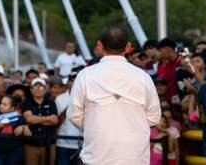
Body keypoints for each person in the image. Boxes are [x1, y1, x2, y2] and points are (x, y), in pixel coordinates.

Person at [70, 26, 161, 164]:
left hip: (96, 157)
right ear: (128, 46)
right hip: (135, 157)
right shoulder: (143, 77)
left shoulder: (85, 75)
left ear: (100, 45)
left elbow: (74, 115)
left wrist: (95, 125)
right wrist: (131, 124)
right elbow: (154, 117)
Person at [22, 77, 58, 165]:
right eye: (35, 86)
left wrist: (36, 119)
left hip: (49, 144)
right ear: (31, 89)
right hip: (31, 144)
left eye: (41, 86)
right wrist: (48, 118)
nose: (38, 88)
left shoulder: (51, 102)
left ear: (45, 89)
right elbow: (29, 119)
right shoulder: (27, 103)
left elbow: (55, 120)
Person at [0, 95, 25, 165]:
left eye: (5, 104)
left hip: (14, 152)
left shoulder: (19, 118)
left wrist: (21, 128)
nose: (1, 106)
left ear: (12, 108)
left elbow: (19, 132)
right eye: (1, 103)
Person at [54, 75, 81, 165]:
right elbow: (57, 121)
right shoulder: (59, 98)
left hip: (81, 143)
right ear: (67, 82)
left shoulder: (86, 97)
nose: (73, 83)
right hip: (62, 142)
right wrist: (69, 107)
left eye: (76, 80)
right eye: (71, 80)